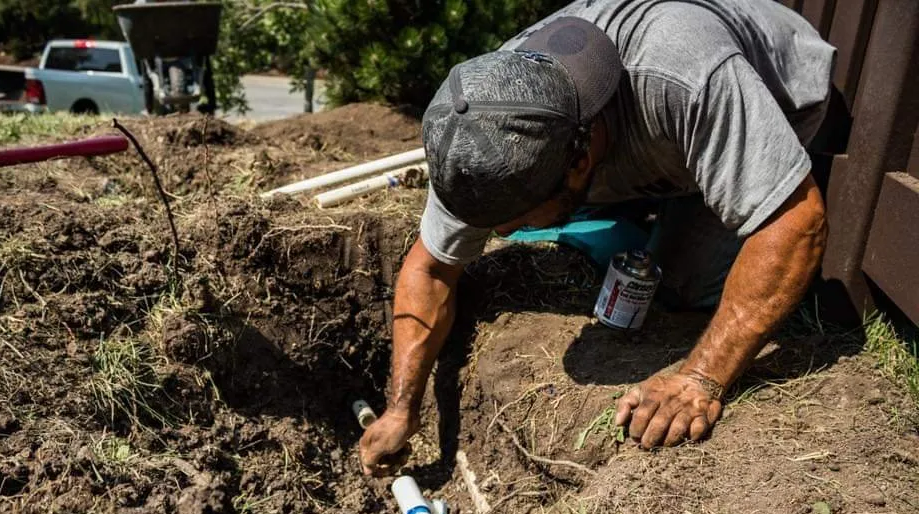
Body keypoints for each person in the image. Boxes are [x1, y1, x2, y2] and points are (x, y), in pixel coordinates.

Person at [359, 0, 838, 475]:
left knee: (685, 287)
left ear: (581, 161)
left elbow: (796, 222)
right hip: (644, 140)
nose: (502, 232)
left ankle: (685, 194)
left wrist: (700, 378)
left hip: (774, 89)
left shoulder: (683, 77)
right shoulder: (489, 119)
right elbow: (431, 266)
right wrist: (402, 408)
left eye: (515, 219)